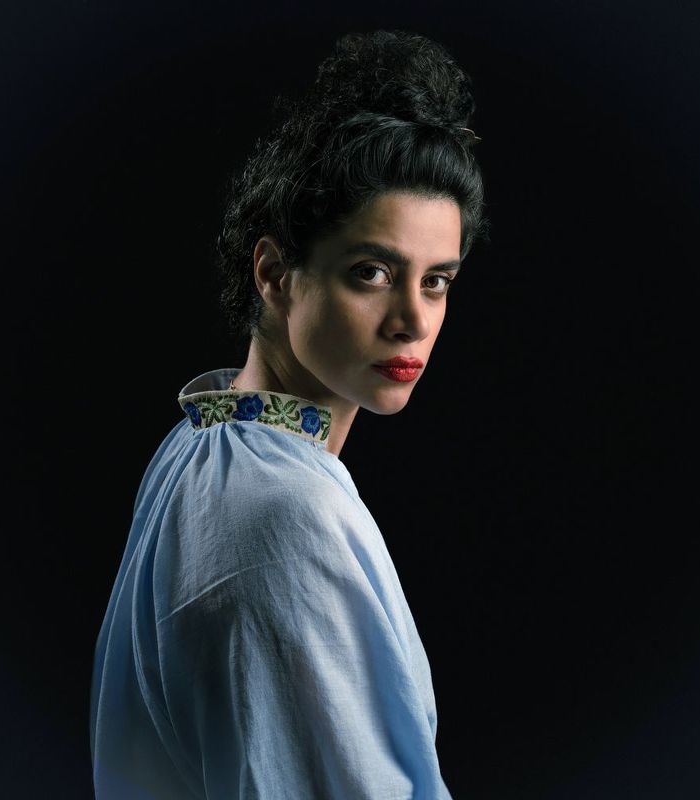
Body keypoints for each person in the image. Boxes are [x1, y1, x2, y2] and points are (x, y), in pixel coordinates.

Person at [90, 28, 487, 799]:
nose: (413, 320)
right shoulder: (290, 514)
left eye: (436, 281)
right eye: (371, 272)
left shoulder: (196, 440)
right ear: (275, 273)